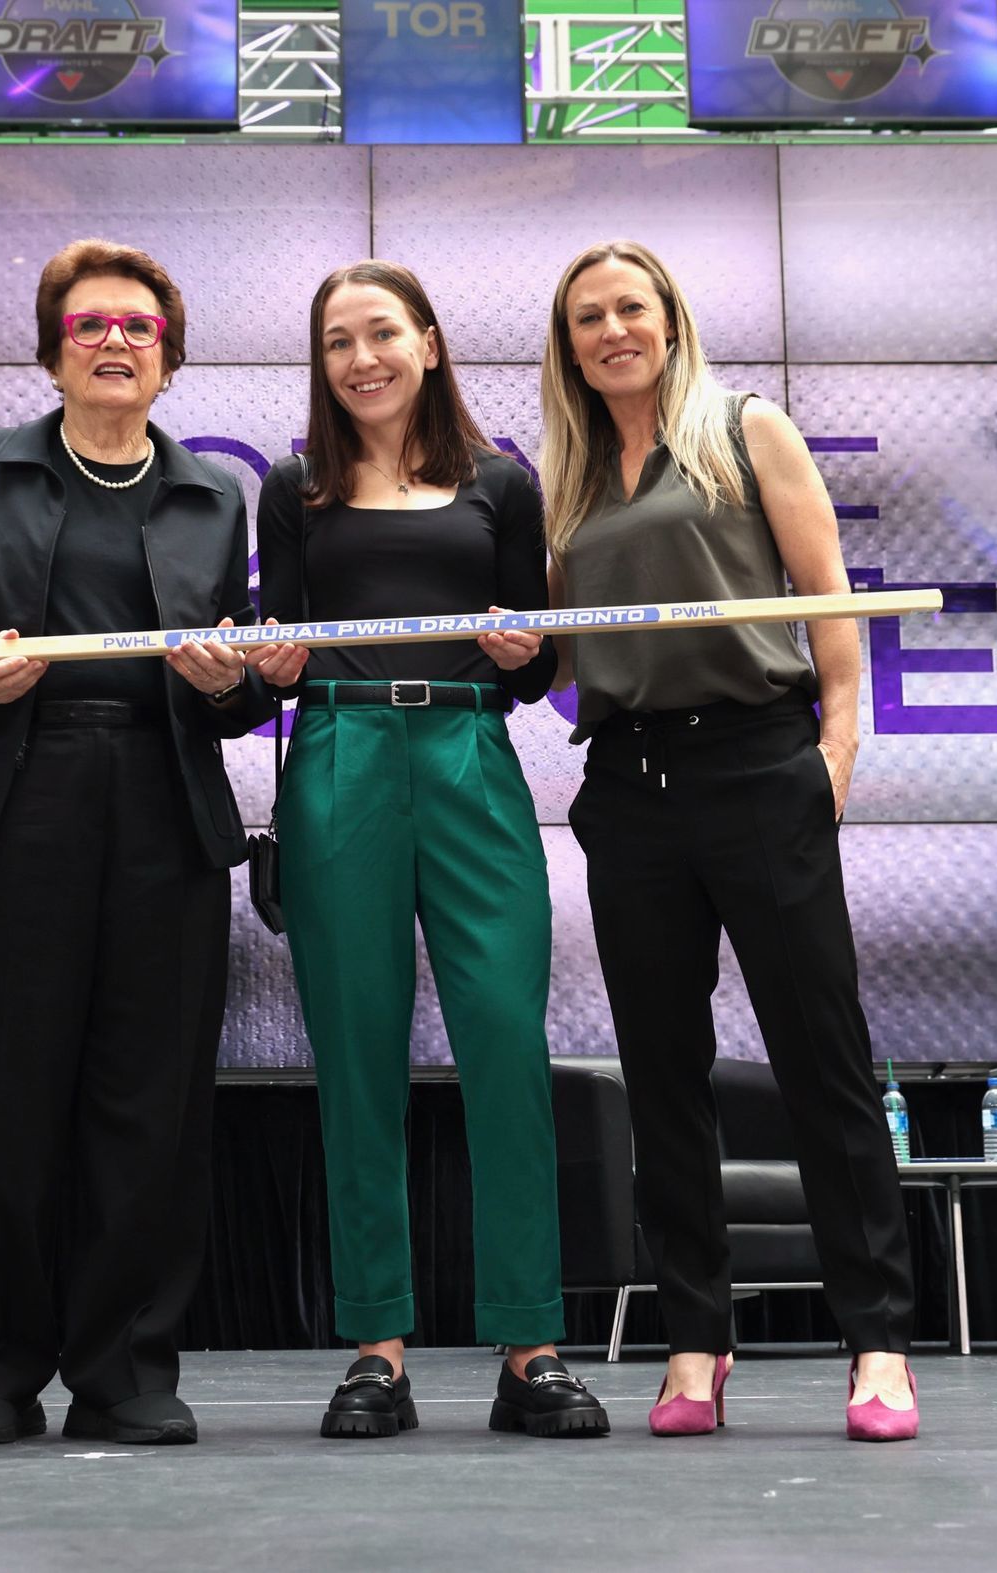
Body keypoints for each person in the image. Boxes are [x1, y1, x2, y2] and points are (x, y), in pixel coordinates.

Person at [0, 238, 270, 1448]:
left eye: (137, 328)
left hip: (164, 805)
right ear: (53, 348)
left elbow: (245, 682)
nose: (113, 342)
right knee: (3, 1092)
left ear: (167, 357)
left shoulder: (214, 491)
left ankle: (126, 1372)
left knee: (147, 1102)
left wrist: (225, 679)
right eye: (89, 323)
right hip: (8, 799)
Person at [540, 239, 918, 1442]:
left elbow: (826, 598)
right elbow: (563, 650)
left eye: (628, 308)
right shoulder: (567, 471)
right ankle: (694, 1344)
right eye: (587, 316)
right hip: (626, 785)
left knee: (822, 1060)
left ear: (667, 318)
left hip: (758, 765)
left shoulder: (747, 427)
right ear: (568, 342)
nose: (610, 330)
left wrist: (836, 749)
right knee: (660, 1075)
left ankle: (877, 1347)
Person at [251, 260, 610, 1442]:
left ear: (430, 343)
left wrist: (524, 655)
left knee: (505, 1042)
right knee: (355, 1053)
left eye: (381, 334)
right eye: (338, 340)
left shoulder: (501, 483)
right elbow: (282, 645)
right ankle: (376, 1351)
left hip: (467, 754)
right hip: (340, 755)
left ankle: (530, 1347)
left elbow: (542, 662)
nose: (361, 357)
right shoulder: (294, 487)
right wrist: (271, 661)